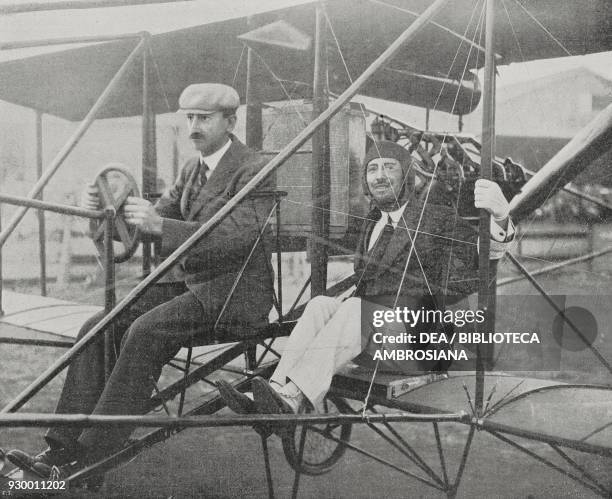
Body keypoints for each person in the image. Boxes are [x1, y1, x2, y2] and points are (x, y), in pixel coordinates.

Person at [7, 83, 275, 478]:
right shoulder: (192, 168)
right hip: (193, 285)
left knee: (146, 330)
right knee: (97, 324)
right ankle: (59, 449)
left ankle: (94, 453)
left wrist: (160, 224)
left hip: (234, 292)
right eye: (189, 118)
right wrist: (103, 211)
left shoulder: (254, 168)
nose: (194, 127)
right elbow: (146, 223)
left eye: (204, 118)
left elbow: (238, 238)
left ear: (231, 121)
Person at [218, 140, 514, 415]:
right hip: (374, 342)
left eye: (389, 167)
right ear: (366, 181)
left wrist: (501, 218)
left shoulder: (436, 217)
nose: (379, 176)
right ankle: (276, 391)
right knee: (320, 304)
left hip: (420, 346)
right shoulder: (372, 223)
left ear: (407, 177)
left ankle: (294, 397)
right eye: (372, 169)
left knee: (354, 309)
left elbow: (479, 259)